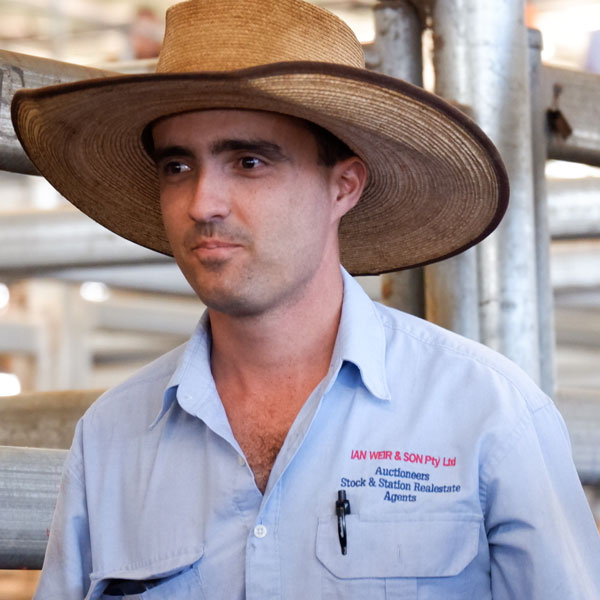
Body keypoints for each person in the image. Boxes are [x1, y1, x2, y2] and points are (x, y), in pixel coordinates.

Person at [11, 0, 600, 598]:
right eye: (178, 166)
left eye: (248, 161)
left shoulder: (487, 414)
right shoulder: (110, 439)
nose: (202, 203)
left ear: (343, 185)